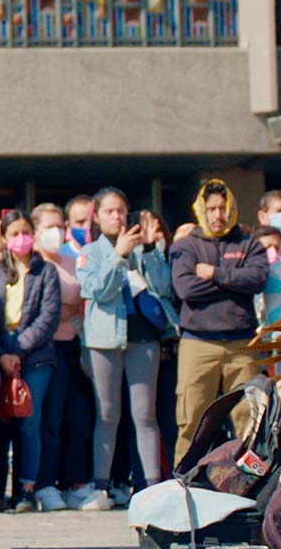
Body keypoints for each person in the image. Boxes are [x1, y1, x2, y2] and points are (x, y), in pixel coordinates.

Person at [75, 188, 172, 511]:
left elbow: (164, 286)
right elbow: (95, 291)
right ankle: (101, 486)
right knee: (107, 413)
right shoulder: (91, 251)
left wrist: (149, 247)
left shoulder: (142, 249)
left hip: (144, 337)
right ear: (98, 217)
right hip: (104, 338)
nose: (117, 217)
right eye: (110, 212)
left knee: (145, 414)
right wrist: (117, 255)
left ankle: (152, 487)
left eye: (121, 211)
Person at [167, 179, 270, 460]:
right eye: (211, 208)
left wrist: (214, 273)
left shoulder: (249, 243)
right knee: (192, 419)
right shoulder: (186, 246)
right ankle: (184, 481)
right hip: (198, 343)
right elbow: (186, 288)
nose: (218, 214)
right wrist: (235, 280)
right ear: (201, 209)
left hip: (242, 344)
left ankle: (249, 485)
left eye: (223, 207)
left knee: (249, 418)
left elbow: (257, 279)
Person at [0, 212, 63, 512]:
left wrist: (18, 350)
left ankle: (26, 488)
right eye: (14, 233)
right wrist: (2, 353)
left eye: (26, 232)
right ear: (4, 238)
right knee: (1, 422)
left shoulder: (47, 272)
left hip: (36, 357)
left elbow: (48, 317)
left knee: (30, 420)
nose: (21, 238)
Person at [29, 204, 94, 510]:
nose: (56, 231)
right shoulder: (35, 265)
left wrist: (67, 311)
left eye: (60, 225)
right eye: (48, 226)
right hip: (46, 349)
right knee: (50, 420)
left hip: (75, 347)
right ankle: (46, 483)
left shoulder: (71, 260)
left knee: (78, 416)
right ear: (36, 231)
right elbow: (48, 310)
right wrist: (66, 310)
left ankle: (76, 481)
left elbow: (84, 302)